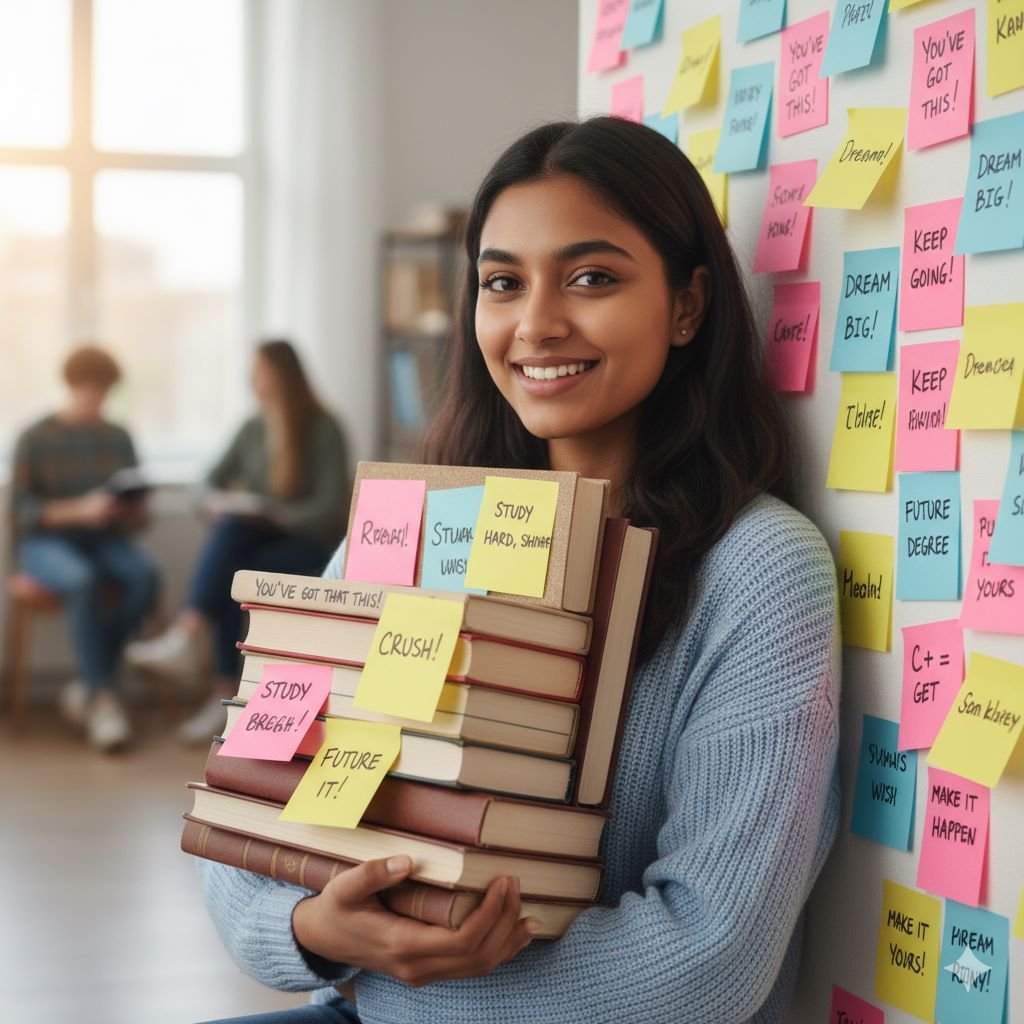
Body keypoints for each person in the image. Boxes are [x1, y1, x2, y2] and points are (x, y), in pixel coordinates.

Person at [197, 118, 840, 1024]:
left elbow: (708, 961)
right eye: (503, 282)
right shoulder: (413, 529)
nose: (536, 322)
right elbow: (243, 807)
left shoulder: (760, 570)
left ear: (688, 305)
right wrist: (312, 929)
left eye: (592, 278)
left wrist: (385, 980)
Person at [126, 339, 352, 745]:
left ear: (282, 377)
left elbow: (333, 509)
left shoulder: (324, 427)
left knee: (233, 550)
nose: (253, 383)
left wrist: (278, 515)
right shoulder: (253, 427)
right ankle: (215, 688)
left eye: (259, 373)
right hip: (259, 544)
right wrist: (213, 502)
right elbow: (204, 481)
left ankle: (191, 643)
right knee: (233, 552)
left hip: (311, 548)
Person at [11, 344, 161, 752]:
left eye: (105, 393)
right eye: (93, 391)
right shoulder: (35, 436)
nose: (99, 402)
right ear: (73, 386)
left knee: (145, 576)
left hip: (107, 538)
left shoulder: (118, 437)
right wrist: (80, 510)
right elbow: (24, 512)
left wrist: (132, 510)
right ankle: (105, 697)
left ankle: (93, 685)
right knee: (83, 581)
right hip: (47, 544)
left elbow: (140, 516)